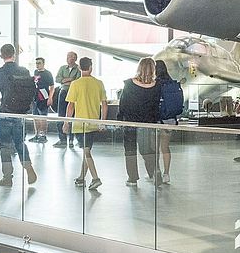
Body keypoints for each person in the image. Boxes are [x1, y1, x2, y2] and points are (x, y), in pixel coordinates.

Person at [0, 43, 37, 187]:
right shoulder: (24, 71)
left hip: (4, 113)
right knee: (20, 143)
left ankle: (7, 177)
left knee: (5, 146)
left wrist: (2, 99)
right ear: (14, 54)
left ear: (1, 56)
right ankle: (29, 168)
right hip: (20, 114)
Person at [116, 57, 162, 186]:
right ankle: (154, 172)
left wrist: (120, 119)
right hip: (148, 123)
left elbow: (123, 104)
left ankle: (132, 178)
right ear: (153, 69)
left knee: (130, 150)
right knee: (147, 149)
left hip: (130, 122)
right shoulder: (157, 85)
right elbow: (156, 105)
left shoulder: (129, 84)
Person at [65, 57, 107, 190]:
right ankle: (81, 177)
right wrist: (103, 121)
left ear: (79, 68)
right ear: (91, 67)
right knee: (86, 150)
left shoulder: (75, 84)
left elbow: (70, 106)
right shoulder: (99, 83)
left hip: (79, 124)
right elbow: (104, 104)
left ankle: (95, 178)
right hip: (93, 123)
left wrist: (66, 122)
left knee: (86, 151)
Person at [155, 60, 183, 184]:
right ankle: (166, 173)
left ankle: (156, 172)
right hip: (170, 119)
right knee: (165, 147)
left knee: (154, 148)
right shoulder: (172, 83)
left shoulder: (155, 84)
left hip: (156, 119)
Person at [53, 51, 80, 148]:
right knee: (61, 115)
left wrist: (65, 80)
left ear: (75, 59)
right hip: (63, 93)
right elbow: (57, 79)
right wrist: (69, 79)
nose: (70, 58)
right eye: (68, 57)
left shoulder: (78, 69)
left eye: (72, 57)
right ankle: (62, 139)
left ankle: (71, 139)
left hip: (73, 94)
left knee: (72, 115)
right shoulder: (62, 68)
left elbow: (76, 82)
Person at [30, 57, 54, 143]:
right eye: (36, 63)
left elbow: (52, 87)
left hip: (44, 97)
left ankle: (43, 135)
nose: (37, 65)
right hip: (35, 97)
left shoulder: (48, 74)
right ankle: (37, 134)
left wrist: (50, 98)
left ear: (43, 63)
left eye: (39, 63)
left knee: (43, 117)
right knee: (35, 116)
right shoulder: (35, 72)